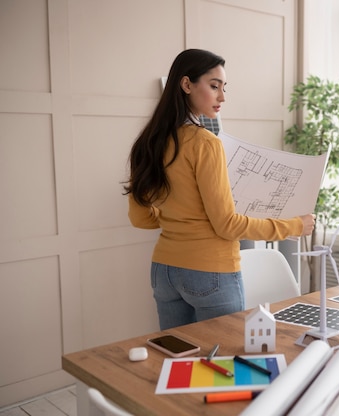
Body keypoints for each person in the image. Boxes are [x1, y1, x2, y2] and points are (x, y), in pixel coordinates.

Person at [123, 49, 315, 330]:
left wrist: (179, 217)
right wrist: (293, 226)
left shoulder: (148, 142)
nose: (222, 97)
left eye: (224, 88)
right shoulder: (205, 143)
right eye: (214, 86)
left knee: (181, 362)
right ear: (187, 85)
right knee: (223, 365)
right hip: (210, 272)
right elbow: (226, 225)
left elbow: (140, 218)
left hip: (164, 271)